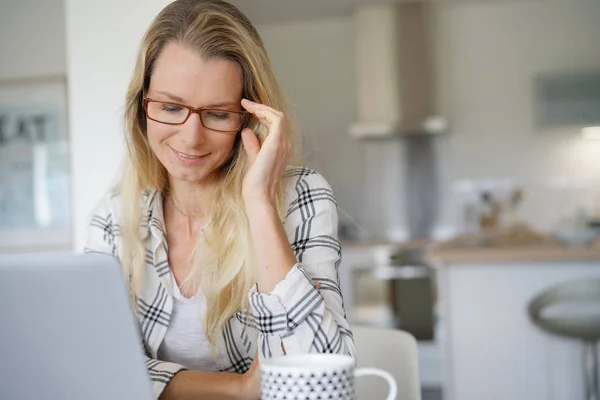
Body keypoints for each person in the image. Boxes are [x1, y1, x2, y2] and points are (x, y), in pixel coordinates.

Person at [84, 0, 355, 399]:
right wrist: (240, 389)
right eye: (171, 107)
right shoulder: (114, 217)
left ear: (249, 117)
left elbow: (319, 383)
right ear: (141, 109)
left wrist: (260, 204)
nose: (191, 138)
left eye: (217, 114)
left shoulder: (299, 197)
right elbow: (95, 367)